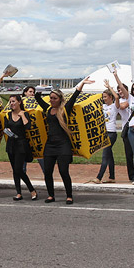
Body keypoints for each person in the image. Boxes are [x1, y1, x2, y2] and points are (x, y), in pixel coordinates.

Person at [35, 77, 94, 205]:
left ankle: (69, 195)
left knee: (63, 171)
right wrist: (41, 89)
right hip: (50, 145)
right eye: (50, 98)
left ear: (60, 99)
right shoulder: (48, 109)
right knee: (48, 172)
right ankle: (51, 195)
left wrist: (82, 84)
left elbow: (74, 96)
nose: (51, 100)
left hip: (63, 145)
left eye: (54, 98)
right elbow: (37, 98)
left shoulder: (65, 109)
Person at [3, 94, 37, 201]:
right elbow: (5, 128)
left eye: (13, 101)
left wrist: (22, 116)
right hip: (11, 144)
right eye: (10, 102)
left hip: (21, 145)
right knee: (15, 170)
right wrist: (9, 132)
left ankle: (32, 190)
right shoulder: (7, 115)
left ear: (19, 102)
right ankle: (18, 192)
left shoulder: (24, 114)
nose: (11, 104)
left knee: (19, 169)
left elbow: (28, 126)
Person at [93, 79, 119, 184]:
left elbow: (117, 97)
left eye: (105, 97)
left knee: (105, 155)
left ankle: (99, 177)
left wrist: (109, 87)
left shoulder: (114, 106)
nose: (103, 99)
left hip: (111, 133)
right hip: (104, 132)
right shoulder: (103, 106)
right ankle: (112, 177)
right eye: (103, 97)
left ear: (110, 97)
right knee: (109, 155)